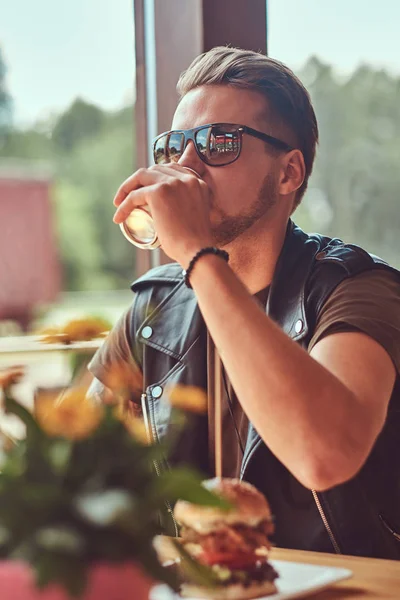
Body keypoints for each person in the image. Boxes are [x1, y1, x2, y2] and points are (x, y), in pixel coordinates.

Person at [88, 46, 400, 559]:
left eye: (218, 142)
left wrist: (195, 252)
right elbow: (72, 471)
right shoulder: (154, 311)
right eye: (173, 146)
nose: (186, 168)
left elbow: (324, 455)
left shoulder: (360, 290)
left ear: (288, 173)